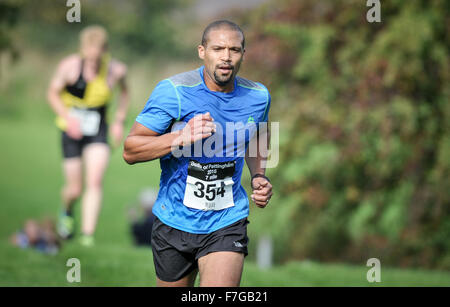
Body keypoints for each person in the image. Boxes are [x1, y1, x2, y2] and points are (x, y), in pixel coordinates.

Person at [123, 20, 273, 287]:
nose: (226, 57)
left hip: (227, 218)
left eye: (234, 50)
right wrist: (181, 137)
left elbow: (258, 132)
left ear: (243, 54)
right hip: (174, 219)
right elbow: (131, 150)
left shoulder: (258, 96)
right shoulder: (175, 92)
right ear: (202, 51)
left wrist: (259, 174)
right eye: (218, 48)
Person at [47, 25, 129, 247]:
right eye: (89, 52)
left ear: (105, 50)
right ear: (83, 49)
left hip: (99, 128)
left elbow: (124, 92)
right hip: (71, 129)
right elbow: (52, 93)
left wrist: (119, 121)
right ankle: (67, 209)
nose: (93, 58)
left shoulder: (116, 70)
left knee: (94, 181)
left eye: (98, 52)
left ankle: (87, 235)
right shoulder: (70, 66)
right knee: (75, 188)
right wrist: (67, 117)